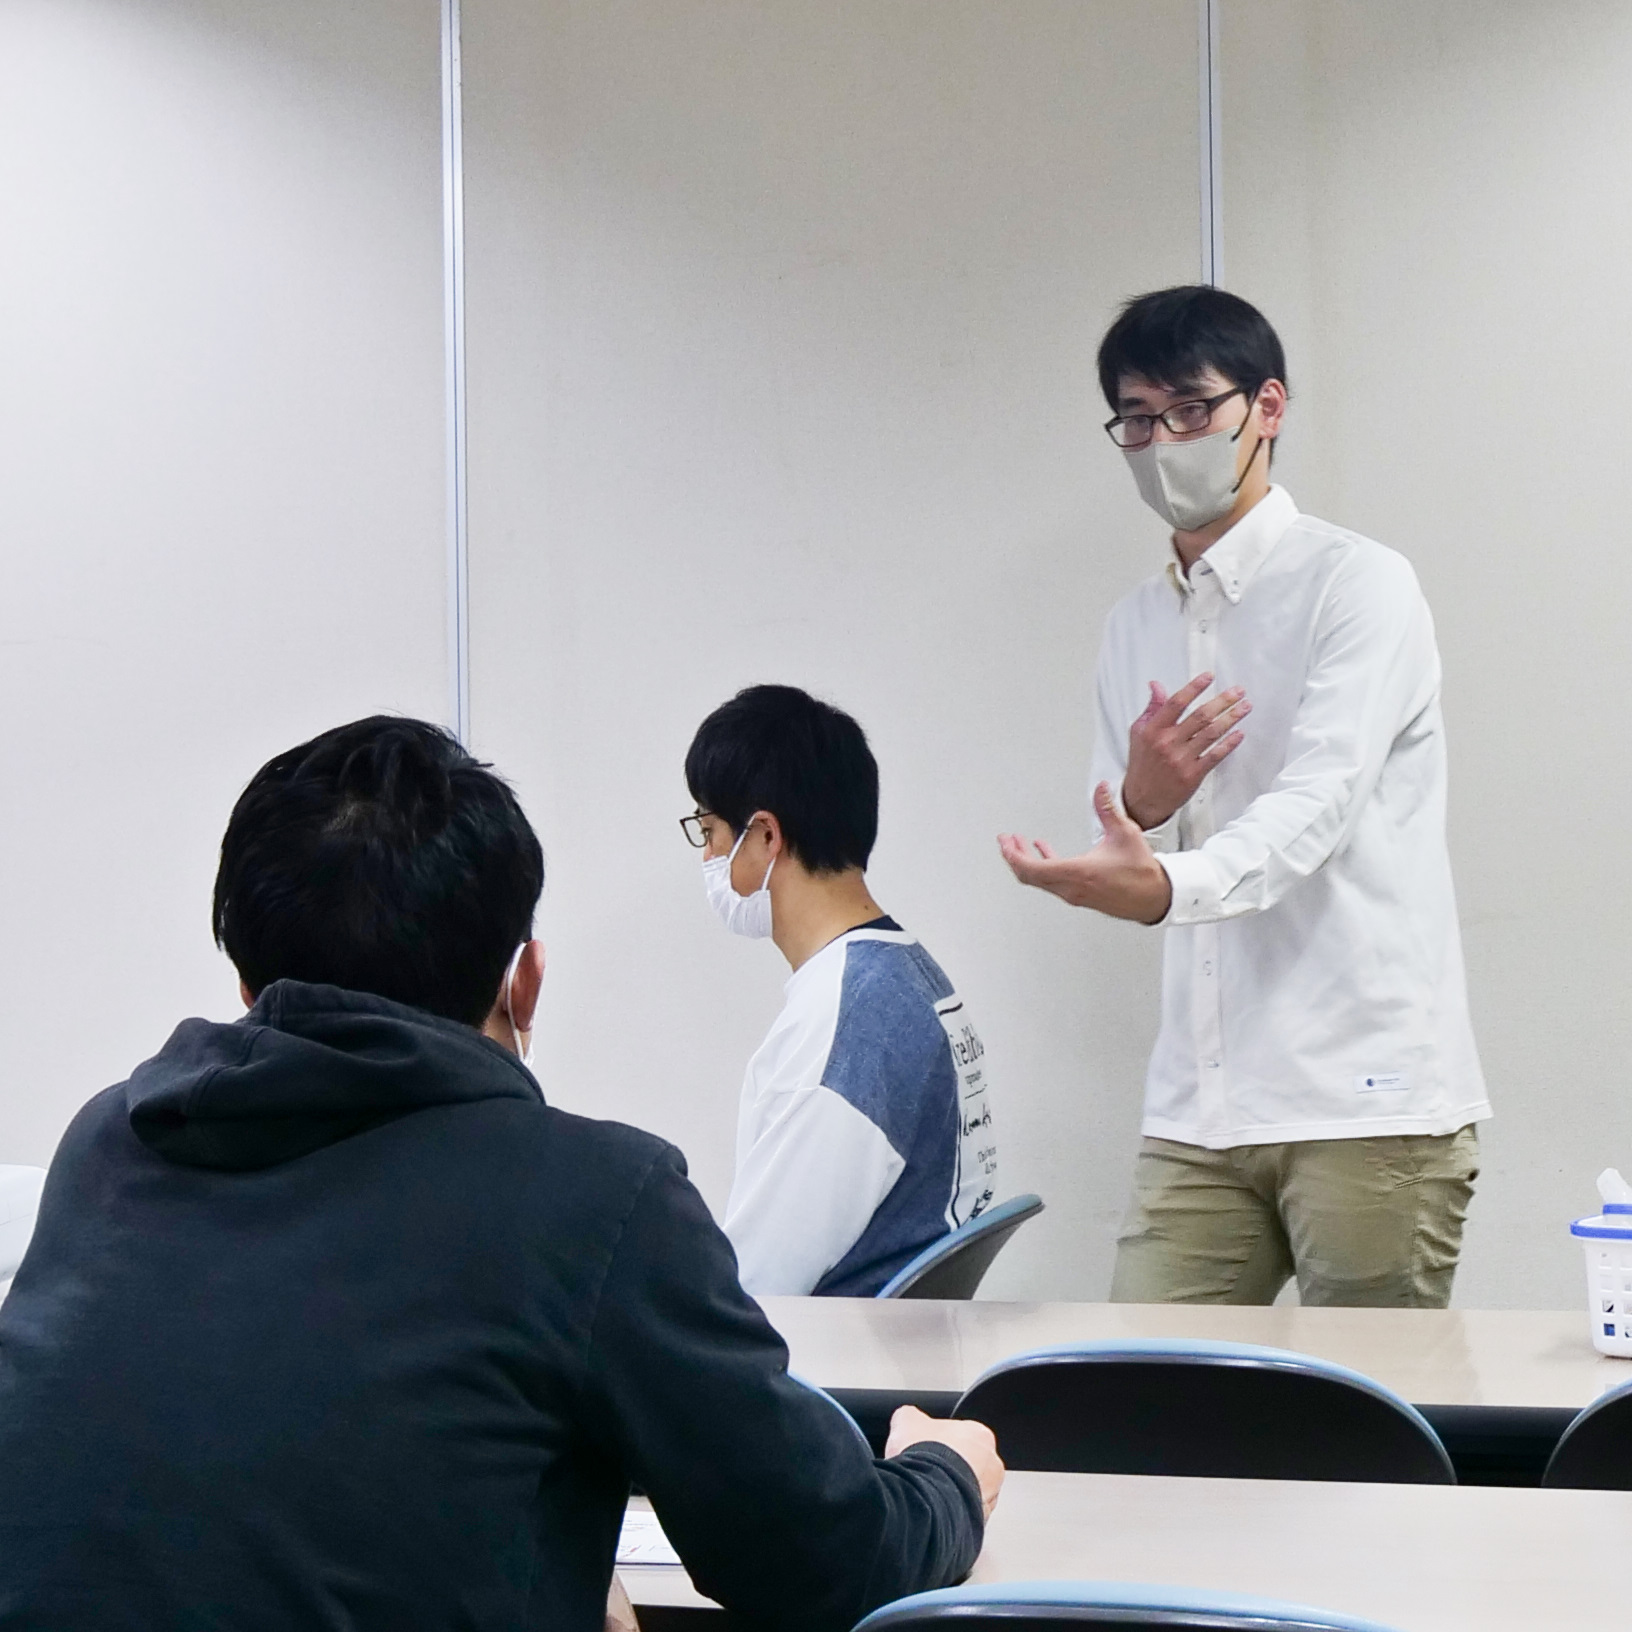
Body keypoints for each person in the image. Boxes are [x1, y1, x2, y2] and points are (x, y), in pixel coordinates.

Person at [0, 716, 1001, 1632]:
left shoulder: (111, 1143)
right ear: (525, 981)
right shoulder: (598, 1202)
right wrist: (947, 1476)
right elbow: (826, 1561)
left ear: (248, 986)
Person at [999, 286, 1490, 1307]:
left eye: (1190, 409)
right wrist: (1140, 806)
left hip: (1365, 1096)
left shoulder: (1358, 584)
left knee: (1369, 1406)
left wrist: (1164, 883)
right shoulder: (1134, 624)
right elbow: (1121, 831)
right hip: (1201, 1102)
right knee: (1139, 1390)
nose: (1162, 442)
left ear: (1267, 407)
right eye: (1137, 419)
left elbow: (1318, 803)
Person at [684, 685, 998, 1297]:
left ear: (766, 836)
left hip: (829, 1349)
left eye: (710, 830)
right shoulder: (912, 974)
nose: (708, 856)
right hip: (892, 1340)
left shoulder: (843, 1026)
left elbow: (753, 1292)